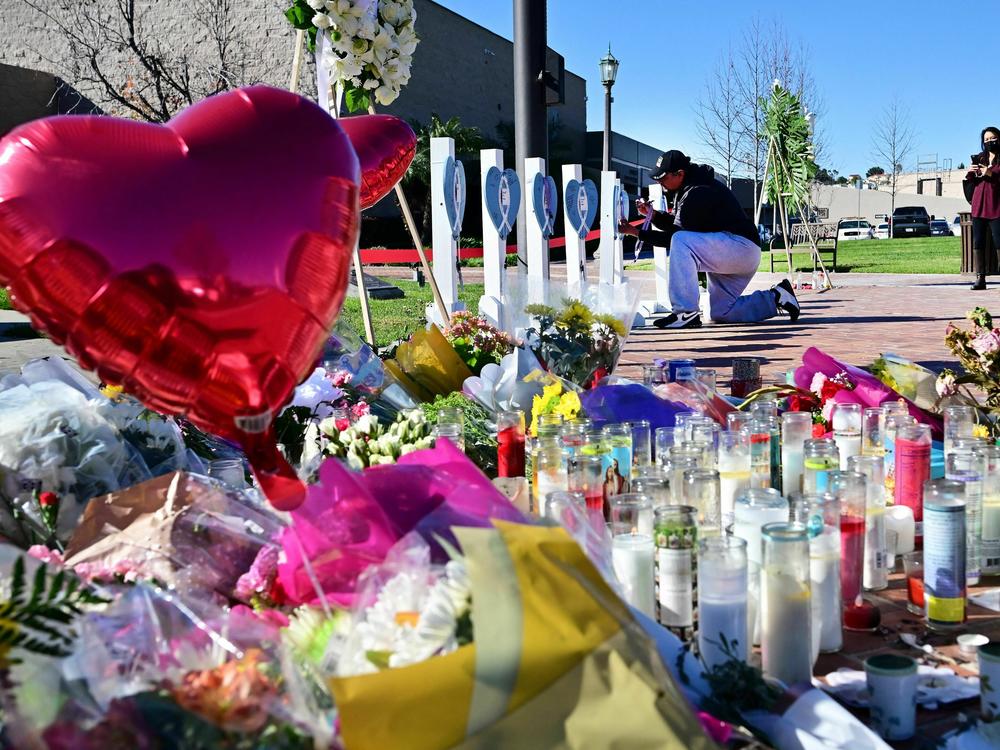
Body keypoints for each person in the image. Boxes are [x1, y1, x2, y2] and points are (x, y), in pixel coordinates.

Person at [619, 150, 800, 328]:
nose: (659, 182)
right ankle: (777, 296)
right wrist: (652, 214)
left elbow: (673, 238)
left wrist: (636, 232)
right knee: (719, 312)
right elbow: (678, 225)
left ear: (680, 174)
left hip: (739, 246)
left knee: (681, 241)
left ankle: (685, 312)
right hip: (734, 250)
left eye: (663, 178)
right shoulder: (690, 187)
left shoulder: (697, 192)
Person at [968, 126, 1000, 291]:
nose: (989, 142)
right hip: (979, 205)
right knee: (978, 242)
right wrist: (971, 172)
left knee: (999, 241)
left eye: (992, 138)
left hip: (996, 206)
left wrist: (990, 173)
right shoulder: (980, 157)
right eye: (986, 140)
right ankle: (980, 278)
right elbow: (971, 181)